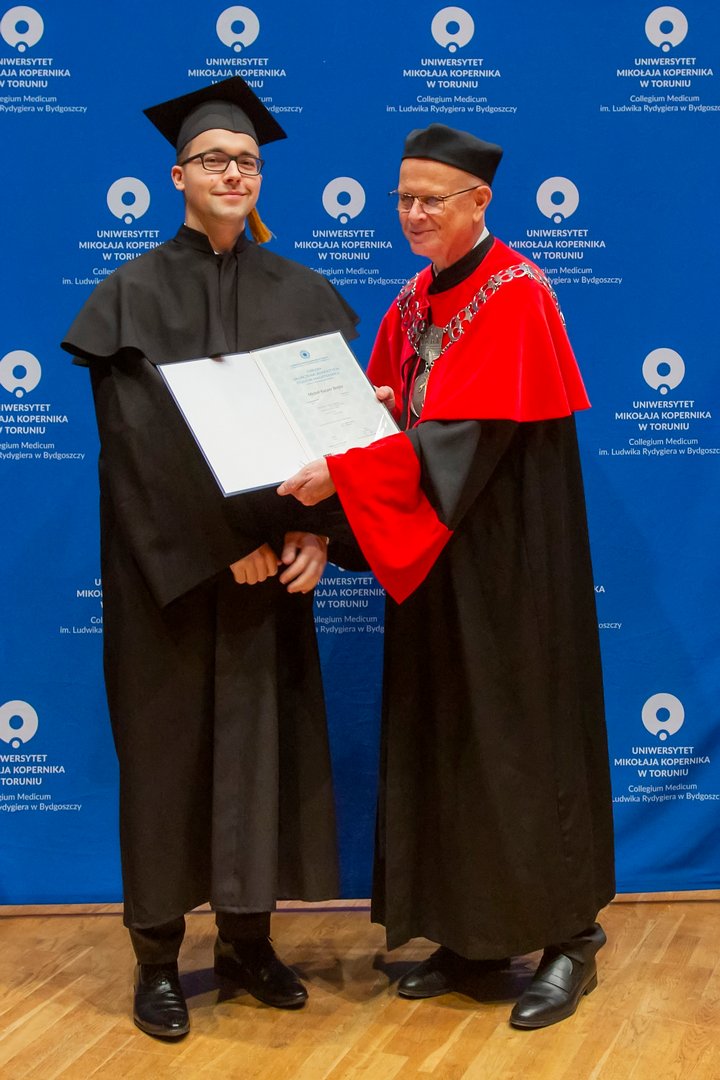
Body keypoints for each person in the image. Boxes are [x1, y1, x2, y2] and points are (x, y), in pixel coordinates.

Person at [278, 123, 616, 1029]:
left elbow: (461, 444)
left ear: (480, 202)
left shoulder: (517, 293)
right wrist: (356, 441)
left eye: (431, 199)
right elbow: (386, 422)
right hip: (434, 565)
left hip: (510, 568)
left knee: (522, 742)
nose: (413, 214)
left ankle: (570, 938)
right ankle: (474, 935)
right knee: (451, 743)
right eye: (403, 199)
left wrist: (347, 471)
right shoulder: (411, 300)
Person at [61, 77, 359, 1039]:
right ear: (178, 177)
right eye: (214, 160)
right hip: (173, 583)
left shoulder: (300, 293)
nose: (234, 174)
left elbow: (339, 433)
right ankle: (156, 957)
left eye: (248, 162)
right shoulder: (130, 296)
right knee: (166, 761)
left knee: (262, 756)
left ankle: (247, 941)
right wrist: (222, 546)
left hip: (272, 582)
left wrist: (318, 530)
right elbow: (135, 448)